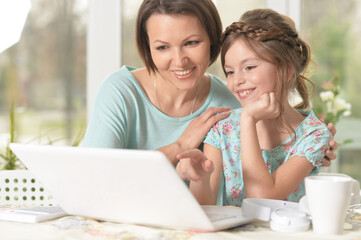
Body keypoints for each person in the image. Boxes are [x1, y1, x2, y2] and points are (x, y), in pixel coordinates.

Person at [82, 0, 337, 166]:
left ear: (213, 41)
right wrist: (179, 147)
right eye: (162, 47)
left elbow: (266, 154)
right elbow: (96, 172)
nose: (179, 60)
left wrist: (311, 146)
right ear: (147, 48)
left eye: (192, 43)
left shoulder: (230, 102)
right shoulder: (120, 92)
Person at [176, 8, 333, 206]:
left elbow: (262, 198)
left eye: (249, 67)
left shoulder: (313, 135)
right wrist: (200, 178)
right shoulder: (222, 129)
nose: (237, 81)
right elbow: (204, 209)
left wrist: (248, 120)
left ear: (285, 69)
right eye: (230, 72)